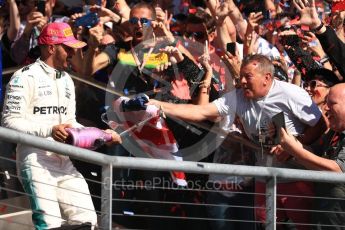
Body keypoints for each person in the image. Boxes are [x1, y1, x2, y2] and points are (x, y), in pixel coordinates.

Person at [149, 54, 327, 229]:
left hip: (296, 178)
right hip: (264, 179)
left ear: (267, 78)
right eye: (241, 75)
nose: (241, 81)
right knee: (266, 226)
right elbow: (202, 112)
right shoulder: (238, 96)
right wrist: (158, 105)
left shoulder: (290, 93)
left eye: (247, 76)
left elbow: (321, 125)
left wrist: (295, 146)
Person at [1, 22, 122, 229]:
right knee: (49, 224)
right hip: (35, 161)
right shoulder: (23, 77)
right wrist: (49, 130)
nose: (72, 54)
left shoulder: (66, 79)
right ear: (51, 48)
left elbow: (70, 123)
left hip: (64, 161)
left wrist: (101, 135)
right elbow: (8, 122)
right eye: (68, 48)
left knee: (87, 222)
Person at [279, 83, 345, 229]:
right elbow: (314, 153)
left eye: (332, 104)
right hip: (324, 217)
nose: (326, 108)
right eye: (326, 103)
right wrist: (288, 141)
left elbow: (337, 171)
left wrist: (295, 150)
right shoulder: (335, 132)